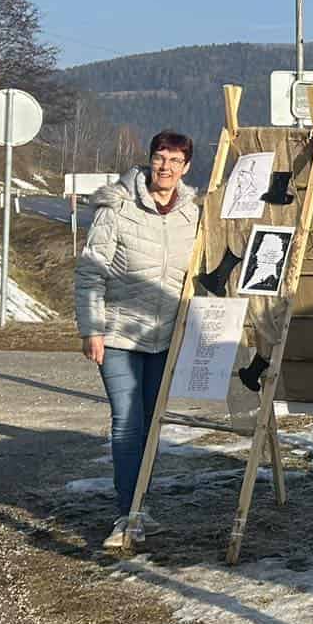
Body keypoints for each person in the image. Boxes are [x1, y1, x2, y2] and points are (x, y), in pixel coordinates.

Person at [75, 131, 200, 551]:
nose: (165, 167)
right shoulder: (118, 206)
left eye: (174, 161)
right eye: (159, 158)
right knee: (127, 422)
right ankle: (126, 515)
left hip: (165, 338)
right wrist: (92, 329)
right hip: (119, 334)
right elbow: (91, 271)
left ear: (186, 168)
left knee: (150, 425)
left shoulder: (192, 214)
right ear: (149, 161)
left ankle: (141, 506)